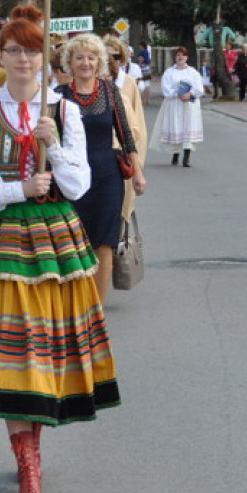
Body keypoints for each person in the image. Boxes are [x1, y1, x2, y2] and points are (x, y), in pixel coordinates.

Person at [0, 11, 121, 493]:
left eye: (32, 51)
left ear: (46, 58)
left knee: (47, 351)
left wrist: (55, 147)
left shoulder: (62, 113)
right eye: (15, 51)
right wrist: (18, 187)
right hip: (3, 242)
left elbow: (79, 184)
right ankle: (29, 469)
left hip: (56, 242)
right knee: (13, 352)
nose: (24, 60)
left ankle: (32, 450)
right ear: (0, 56)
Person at [57, 33, 146, 303]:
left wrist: (138, 173)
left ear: (100, 62)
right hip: (71, 176)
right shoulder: (59, 96)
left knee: (105, 242)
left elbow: (125, 134)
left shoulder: (109, 92)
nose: (86, 63)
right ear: (70, 63)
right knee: (72, 240)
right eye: (79, 58)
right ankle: (74, 302)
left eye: (91, 57)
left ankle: (95, 306)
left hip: (107, 175)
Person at [105, 35, 148, 227]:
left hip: (122, 149)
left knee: (120, 204)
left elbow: (136, 123)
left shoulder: (128, 83)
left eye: (114, 57)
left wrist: (137, 163)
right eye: (105, 57)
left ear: (121, 60)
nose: (109, 62)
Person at [152, 46, 204, 167]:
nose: (180, 57)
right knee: (176, 127)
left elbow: (199, 88)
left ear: (187, 57)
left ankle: (187, 156)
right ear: (175, 57)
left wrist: (190, 94)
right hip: (175, 103)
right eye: (178, 55)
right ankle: (175, 153)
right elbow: (166, 88)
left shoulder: (193, 72)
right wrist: (177, 94)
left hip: (190, 104)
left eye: (183, 55)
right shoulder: (169, 72)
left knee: (188, 128)